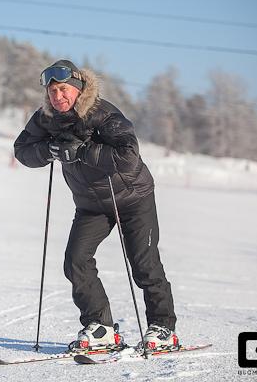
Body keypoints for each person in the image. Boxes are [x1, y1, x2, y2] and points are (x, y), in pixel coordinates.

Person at [14, 60, 177, 352]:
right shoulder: (46, 118)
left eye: (63, 89)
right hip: (91, 204)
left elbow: (128, 155)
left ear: (77, 88)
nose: (58, 97)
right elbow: (22, 150)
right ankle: (101, 328)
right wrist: (49, 150)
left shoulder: (102, 113)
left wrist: (84, 151)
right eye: (52, 91)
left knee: (144, 264)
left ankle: (163, 328)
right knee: (75, 260)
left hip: (132, 197)